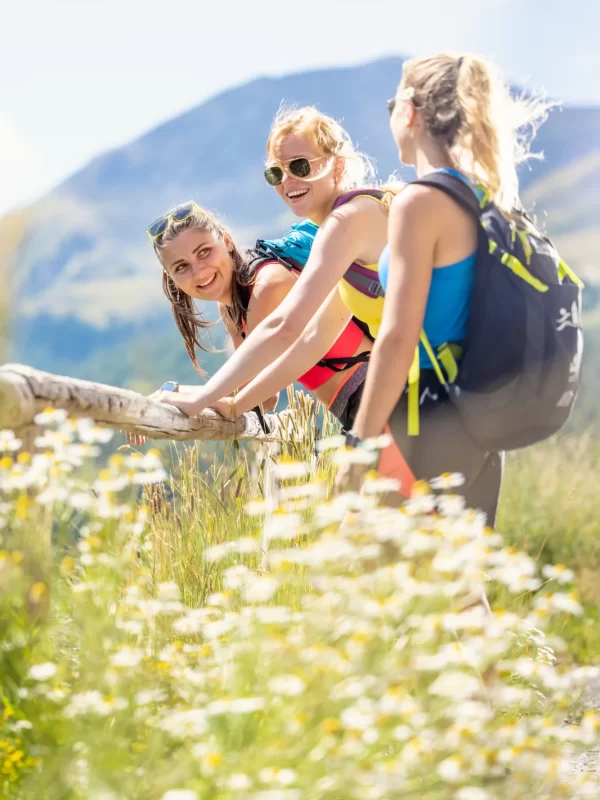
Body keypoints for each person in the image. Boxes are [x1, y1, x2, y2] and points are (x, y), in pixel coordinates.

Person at [335, 52, 551, 524]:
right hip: (482, 422)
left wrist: (360, 446)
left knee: (398, 585)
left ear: (409, 111)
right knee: (459, 589)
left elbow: (396, 338)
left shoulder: (421, 202)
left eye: (392, 102)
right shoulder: (487, 199)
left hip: (429, 419)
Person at [155, 109, 414, 494]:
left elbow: (285, 330)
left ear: (336, 165)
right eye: (277, 173)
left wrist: (201, 400)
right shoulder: (337, 232)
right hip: (396, 405)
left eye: (300, 166)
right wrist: (205, 399)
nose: (288, 181)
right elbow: (310, 342)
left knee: (372, 547)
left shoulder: (345, 224)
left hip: (399, 403)